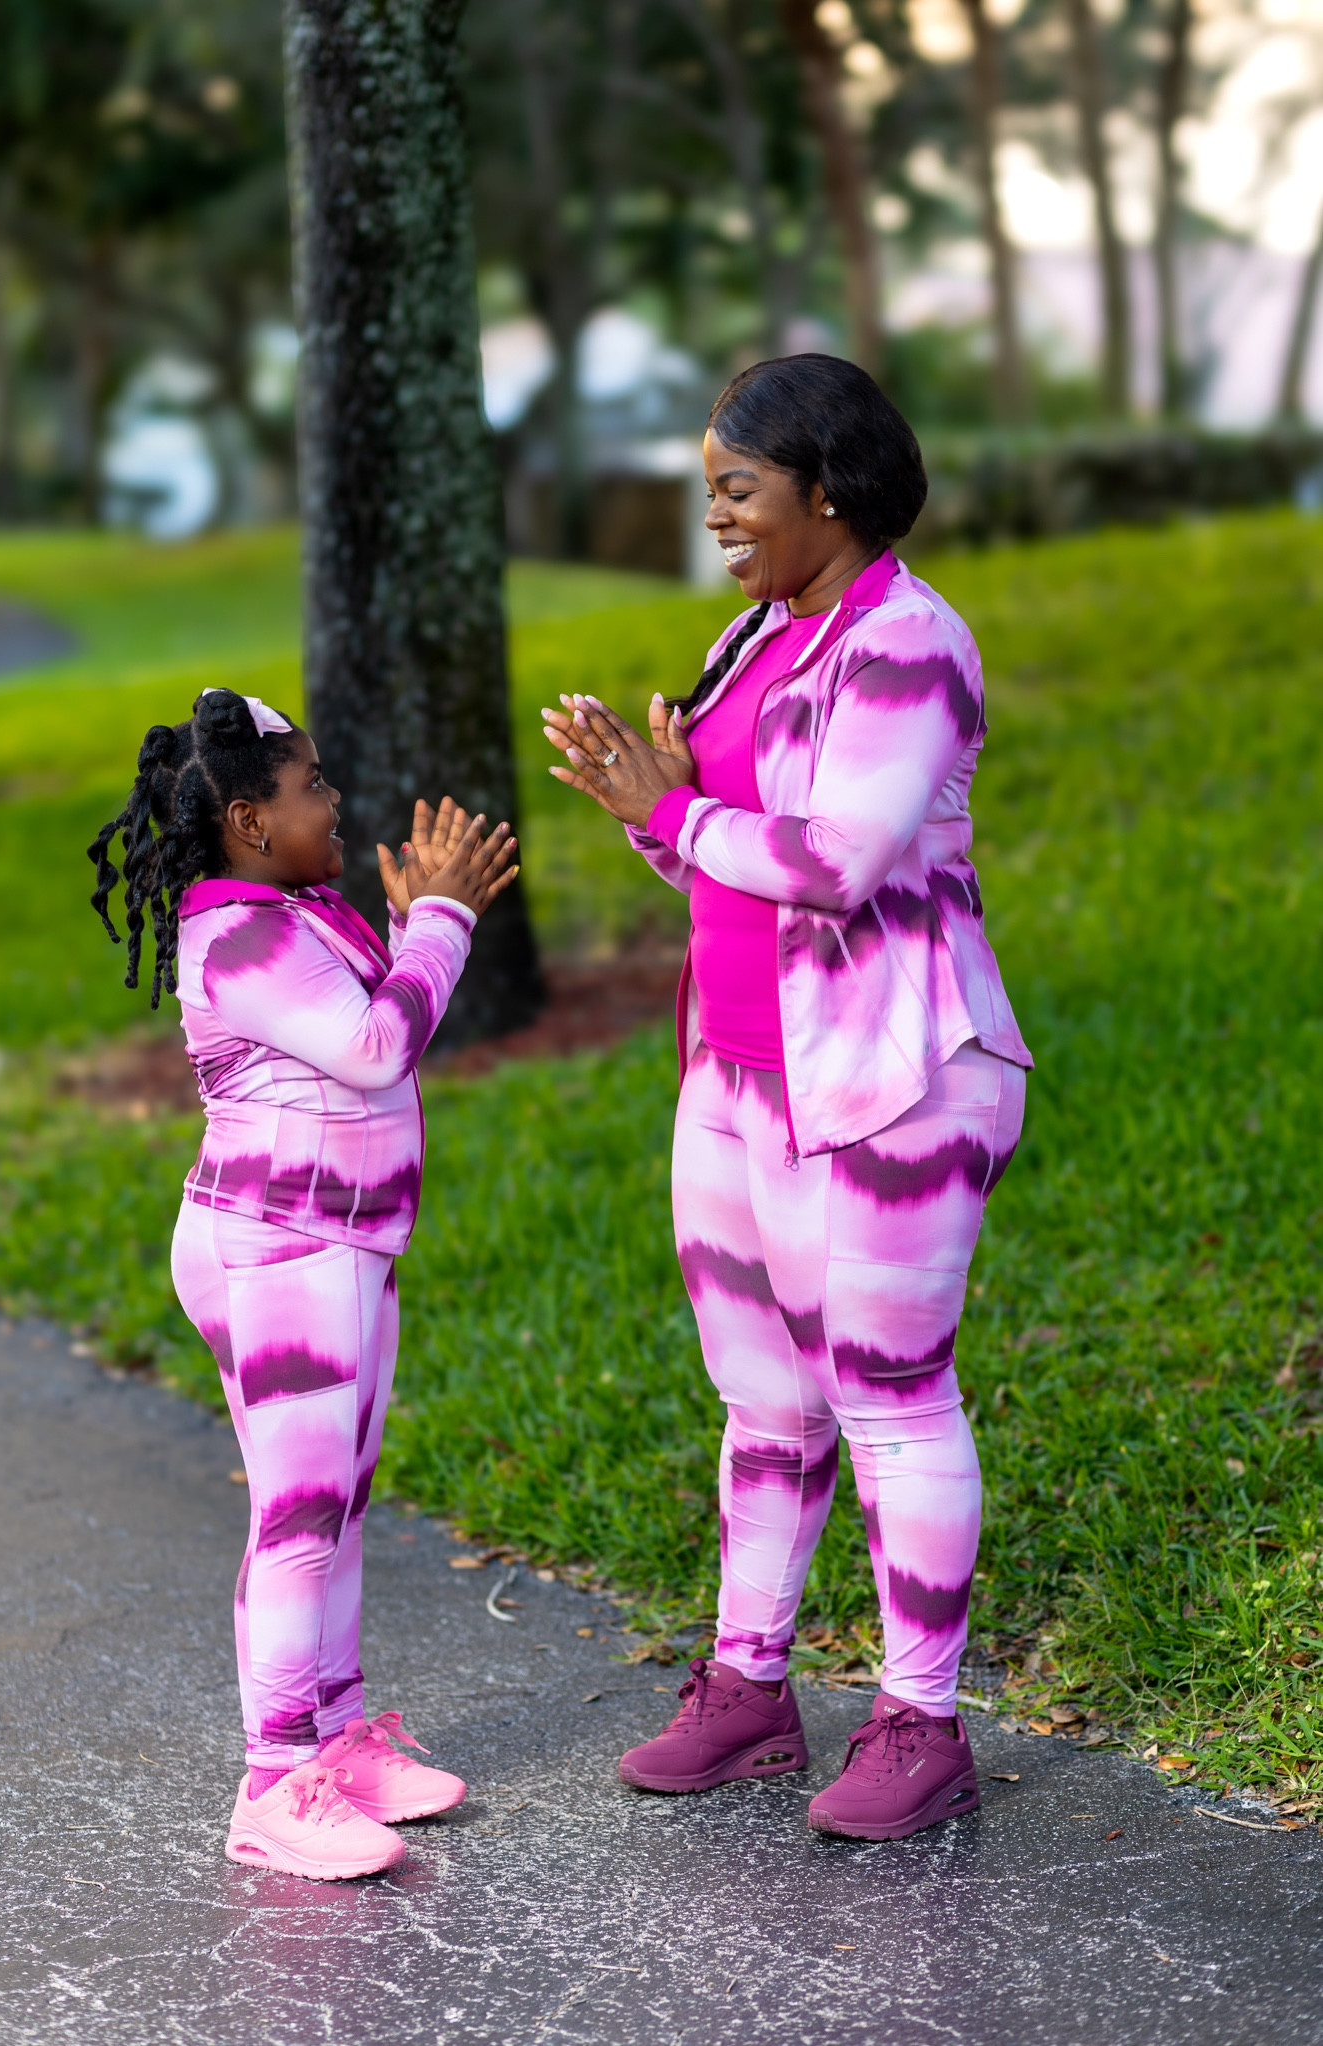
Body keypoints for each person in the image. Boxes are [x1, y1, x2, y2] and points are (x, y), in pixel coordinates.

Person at [541, 355, 1031, 1843]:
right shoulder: (751, 631)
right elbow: (715, 847)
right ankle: (750, 1690)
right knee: (763, 1403)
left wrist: (672, 808)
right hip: (737, 1073)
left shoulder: (911, 642)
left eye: (738, 490)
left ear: (829, 485)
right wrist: (653, 811)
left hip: (892, 1076)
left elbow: (836, 857)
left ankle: (921, 1718)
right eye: (711, 493)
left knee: (887, 1397)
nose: (719, 519)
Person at [88, 686, 518, 1880]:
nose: (333, 800)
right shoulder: (239, 938)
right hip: (279, 1244)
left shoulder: (297, 910)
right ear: (246, 819)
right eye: (311, 788)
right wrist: (443, 917)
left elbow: (371, 1017)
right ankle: (274, 1782)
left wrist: (404, 922)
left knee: (336, 1508)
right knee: (296, 1519)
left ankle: (335, 1733)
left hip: (341, 1241)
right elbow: (381, 1048)